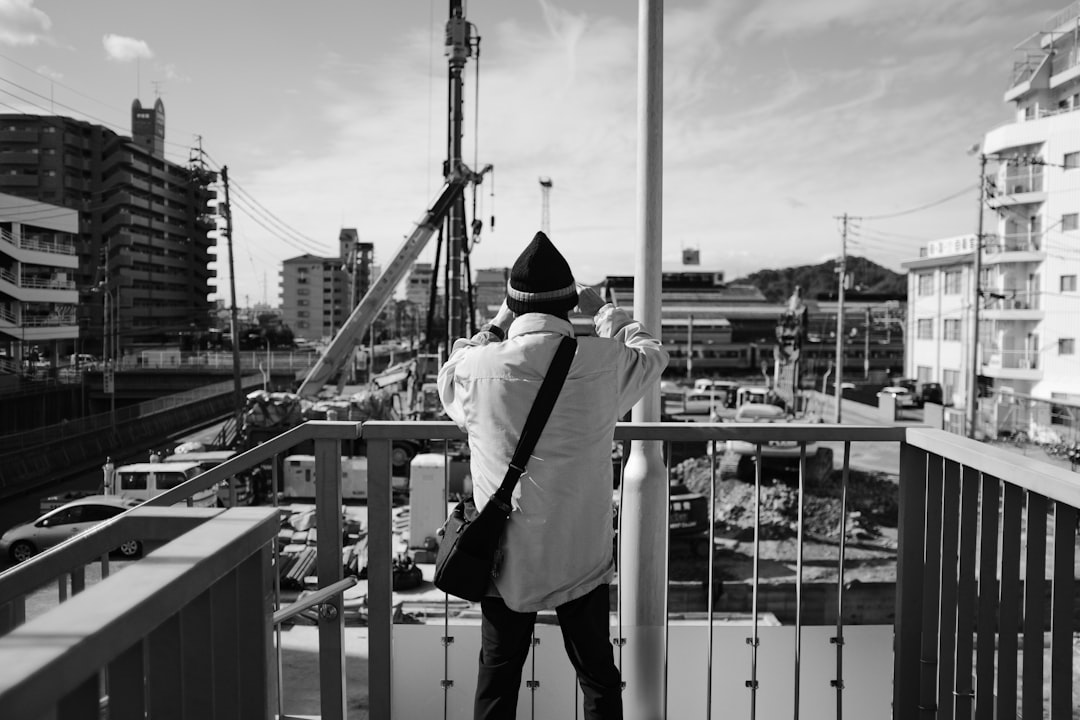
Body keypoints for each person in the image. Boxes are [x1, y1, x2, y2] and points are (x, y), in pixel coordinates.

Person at [438, 231, 668, 720]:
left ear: (513, 305)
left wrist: (499, 320)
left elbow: (452, 367)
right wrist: (606, 311)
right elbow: (652, 353)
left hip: (503, 556)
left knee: (497, 678)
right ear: (569, 303)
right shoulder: (604, 362)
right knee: (598, 678)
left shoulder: (477, 368)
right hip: (579, 551)